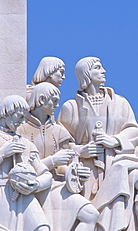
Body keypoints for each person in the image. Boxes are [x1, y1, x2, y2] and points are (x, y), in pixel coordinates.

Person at [58, 57, 138, 231]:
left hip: (119, 162)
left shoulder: (120, 102)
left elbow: (133, 129)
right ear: (86, 74)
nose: (104, 71)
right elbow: (61, 144)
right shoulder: (70, 107)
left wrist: (115, 140)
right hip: (88, 171)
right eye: (97, 68)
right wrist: (82, 151)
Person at [18, 82, 99, 231]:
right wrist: (52, 160)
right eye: (53, 101)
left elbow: (63, 166)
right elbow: (21, 168)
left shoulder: (59, 132)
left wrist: (72, 171)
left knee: (90, 214)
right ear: (42, 100)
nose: (57, 105)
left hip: (56, 186)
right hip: (32, 188)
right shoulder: (20, 129)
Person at [0, 95, 52, 231]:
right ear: (8, 112)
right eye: (20, 116)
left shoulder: (26, 144)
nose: (22, 121)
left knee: (42, 228)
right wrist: (2, 153)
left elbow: (46, 174)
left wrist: (37, 185)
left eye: (24, 117)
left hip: (25, 195)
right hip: (2, 194)